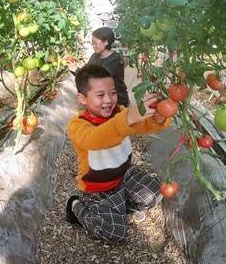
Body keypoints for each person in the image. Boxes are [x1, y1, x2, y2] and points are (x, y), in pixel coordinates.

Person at [65, 64, 169, 242]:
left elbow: (141, 125)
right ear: (82, 98)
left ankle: (118, 207)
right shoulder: (78, 125)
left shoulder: (119, 112)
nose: (108, 100)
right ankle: (76, 206)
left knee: (154, 194)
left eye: (112, 93)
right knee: (113, 234)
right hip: (98, 188)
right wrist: (128, 118)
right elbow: (95, 139)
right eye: (100, 95)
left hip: (124, 174)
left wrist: (158, 118)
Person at [87, 27, 130, 107]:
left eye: (95, 42)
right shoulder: (94, 56)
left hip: (117, 101)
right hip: (102, 99)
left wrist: (77, 70)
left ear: (106, 42)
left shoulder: (116, 60)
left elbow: (99, 78)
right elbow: (85, 72)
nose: (93, 45)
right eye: (92, 42)